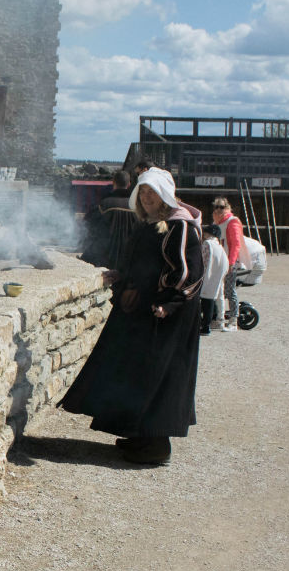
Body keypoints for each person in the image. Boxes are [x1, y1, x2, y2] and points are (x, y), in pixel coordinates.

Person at [60, 167, 204, 464]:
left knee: (158, 376)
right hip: (143, 311)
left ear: (165, 195)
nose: (148, 198)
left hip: (164, 316)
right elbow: (142, 262)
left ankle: (156, 445)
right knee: (135, 373)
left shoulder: (180, 226)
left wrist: (168, 303)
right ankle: (140, 436)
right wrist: (122, 275)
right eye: (144, 192)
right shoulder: (148, 223)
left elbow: (187, 273)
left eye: (153, 192)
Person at [80, 170, 140, 272]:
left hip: (106, 255)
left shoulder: (104, 204)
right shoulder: (136, 206)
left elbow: (88, 224)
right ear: (129, 184)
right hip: (129, 257)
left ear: (113, 182)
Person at [212, 197, 244, 332]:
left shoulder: (232, 222)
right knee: (218, 291)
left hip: (230, 262)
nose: (219, 209)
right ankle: (218, 318)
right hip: (218, 262)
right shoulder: (216, 223)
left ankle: (233, 320)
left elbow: (236, 244)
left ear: (227, 207)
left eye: (222, 207)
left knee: (230, 290)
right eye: (216, 207)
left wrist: (231, 262)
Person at [198, 223, 228, 335]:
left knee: (204, 299)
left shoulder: (207, 243)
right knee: (213, 298)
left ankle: (203, 325)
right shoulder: (219, 246)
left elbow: (202, 258)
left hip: (208, 273)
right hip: (218, 273)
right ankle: (215, 321)